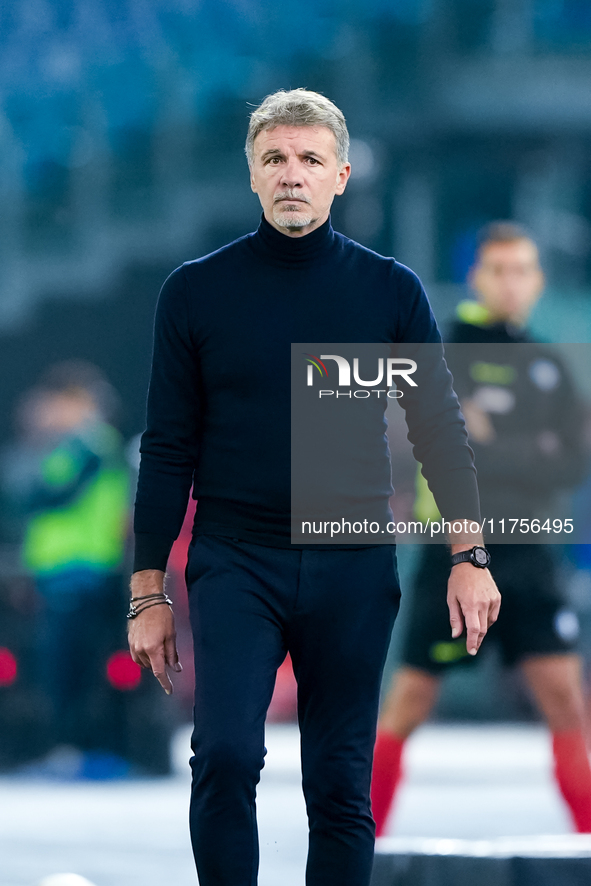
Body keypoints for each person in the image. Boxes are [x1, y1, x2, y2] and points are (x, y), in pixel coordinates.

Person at [127, 89, 500, 886]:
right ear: (252, 177)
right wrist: (147, 588)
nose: (290, 174)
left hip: (353, 566)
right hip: (236, 560)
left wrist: (471, 552)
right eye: (274, 159)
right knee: (223, 756)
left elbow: (440, 429)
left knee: (337, 783)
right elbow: (167, 448)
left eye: (308, 159)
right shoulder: (194, 292)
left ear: (341, 176)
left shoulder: (388, 290)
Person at [371, 222, 591, 836]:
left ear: (539, 281)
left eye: (523, 270)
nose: (511, 282)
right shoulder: (446, 352)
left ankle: (588, 845)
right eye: (499, 270)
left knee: (568, 705)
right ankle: (357, 848)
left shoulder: (546, 361)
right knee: (409, 705)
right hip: (458, 552)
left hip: (530, 552)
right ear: (478, 278)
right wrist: (530, 448)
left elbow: (572, 460)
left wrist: (508, 447)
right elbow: (456, 448)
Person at [7, 361, 129, 752]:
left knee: (71, 665)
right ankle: (71, 745)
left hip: (82, 570)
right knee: (59, 663)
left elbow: (44, 497)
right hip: (60, 571)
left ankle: (79, 746)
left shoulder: (91, 446)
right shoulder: (67, 447)